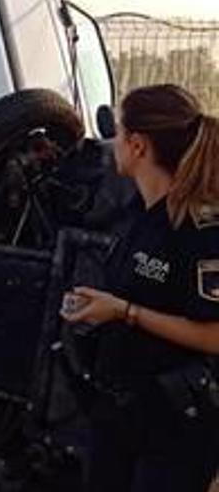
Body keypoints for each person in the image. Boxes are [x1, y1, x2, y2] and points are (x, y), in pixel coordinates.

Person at [61, 84, 219, 492]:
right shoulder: (138, 212)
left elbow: (215, 335)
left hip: (174, 426)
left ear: (137, 145)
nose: (111, 142)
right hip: (118, 412)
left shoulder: (202, 231)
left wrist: (125, 312)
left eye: (117, 131)